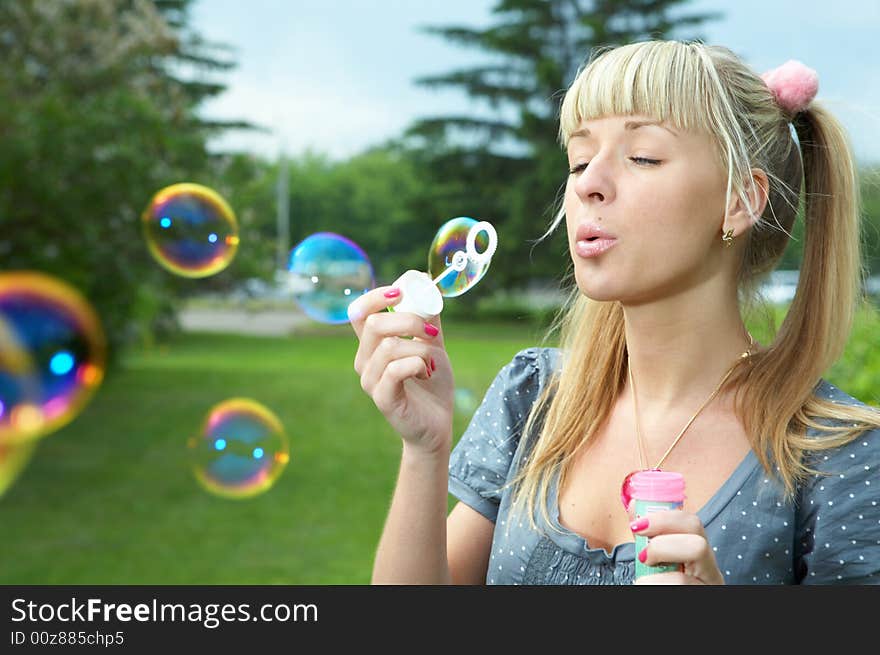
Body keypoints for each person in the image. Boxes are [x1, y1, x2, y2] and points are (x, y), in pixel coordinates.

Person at [347, 39, 880, 585]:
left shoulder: (838, 458)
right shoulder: (533, 399)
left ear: (740, 200)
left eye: (642, 156)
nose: (586, 183)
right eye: (579, 159)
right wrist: (425, 448)